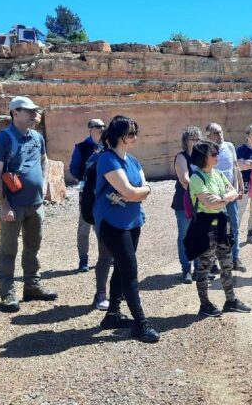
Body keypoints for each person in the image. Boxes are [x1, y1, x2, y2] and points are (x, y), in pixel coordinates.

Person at [93, 115, 160, 343]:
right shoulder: (107, 159)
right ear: (118, 135)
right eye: (130, 133)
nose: (135, 137)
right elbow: (131, 192)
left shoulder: (133, 161)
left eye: (135, 132)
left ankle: (112, 314)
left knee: (121, 268)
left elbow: (140, 190)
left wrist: (138, 192)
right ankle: (140, 324)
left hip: (132, 221)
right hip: (112, 223)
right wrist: (138, 192)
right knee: (130, 271)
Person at [0, 96, 57, 313]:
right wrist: (4, 205)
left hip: (35, 204)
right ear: (15, 113)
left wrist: (44, 183)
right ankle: (7, 293)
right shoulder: (3, 139)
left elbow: (44, 160)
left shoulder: (37, 137)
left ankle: (32, 286)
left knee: (33, 247)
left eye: (34, 111)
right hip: (13, 205)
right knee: (8, 250)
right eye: (29, 111)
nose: (34, 114)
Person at [185, 140, 252, 317]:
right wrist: (226, 198)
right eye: (213, 154)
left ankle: (230, 301)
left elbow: (234, 192)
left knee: (227, 264)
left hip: (222, 225)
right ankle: (204, 305)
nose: (217, 156)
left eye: (217, 153)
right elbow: (210, 203)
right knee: (204, 268)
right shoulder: (196, 178)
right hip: (205, 229)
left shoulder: (218, 174)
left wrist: (221, 198)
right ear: (203, 157)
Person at [69, 118, 113, 310]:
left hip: (102, 194)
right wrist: (85, 180)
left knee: (102, 228)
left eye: (103, 126)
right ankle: (83, 259)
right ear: (90, 129)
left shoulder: (107, 147)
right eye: (98, 126)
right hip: (87, 193)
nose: (101, 129)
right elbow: (73, 168)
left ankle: (106, 258)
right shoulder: (81, 147)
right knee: (84, 226)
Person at [205, 123, 246, 272]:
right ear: (208, 135)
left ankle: (235, 259)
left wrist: (240, 185)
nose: (220, 135)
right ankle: (212, 263)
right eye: (216, 133)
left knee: (234, 227)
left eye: (220, 131)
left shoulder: (229, 146)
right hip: (215, 198)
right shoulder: (205, 150)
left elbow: (235, 167)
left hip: (231, 196)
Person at [171, 126, 202, 284]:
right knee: (184, 235)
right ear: (186, 141)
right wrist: (201, 192)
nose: (195, 141)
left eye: (198, 138)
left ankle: (198, 268)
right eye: (192, 138)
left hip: (200, 201)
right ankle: (186, 269)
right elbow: (184, 179)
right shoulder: (181, 157)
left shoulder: (201, 157)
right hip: (184, 202)